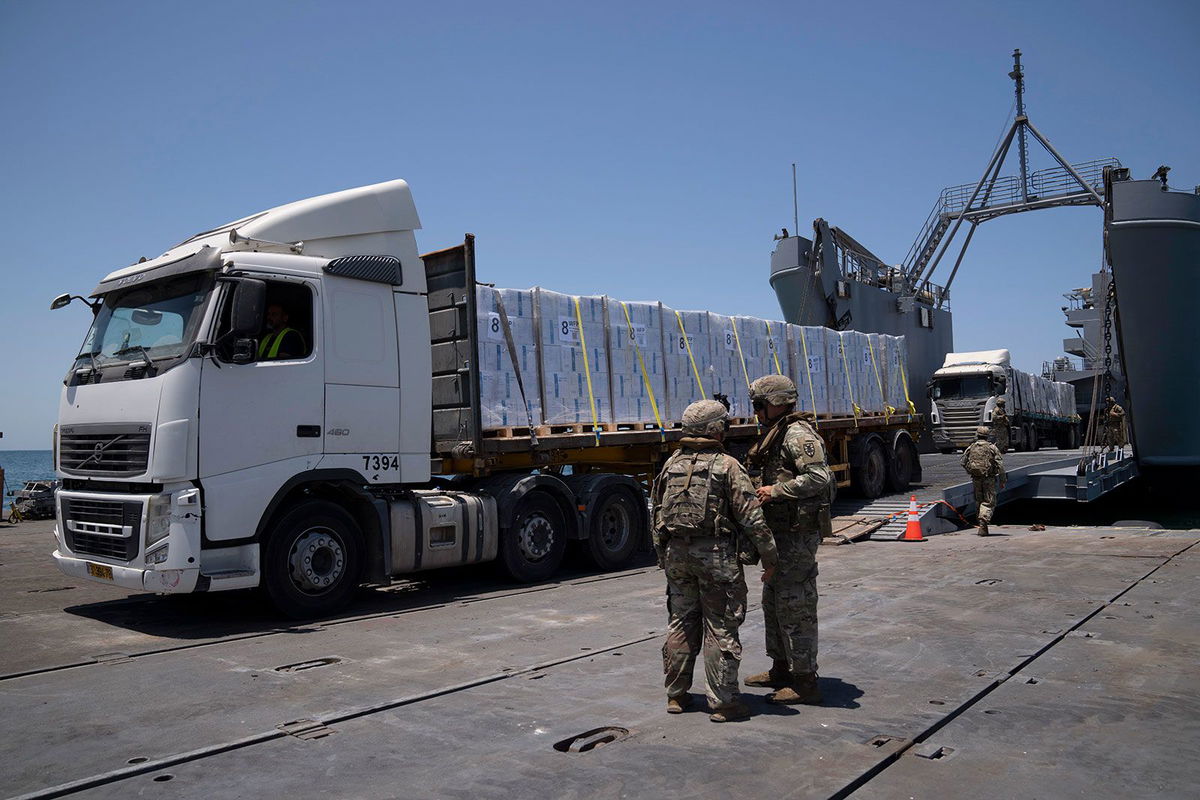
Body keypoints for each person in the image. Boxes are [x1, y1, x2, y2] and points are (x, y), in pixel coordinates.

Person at [652, 399, 779, 723]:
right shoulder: (727, 465)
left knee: (681, 622)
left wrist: (663, 557)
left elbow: (656, 514)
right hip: (716, 558)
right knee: (720, 626)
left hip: (677, 556)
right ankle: (723, 702)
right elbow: (752, 518)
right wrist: (770, 557)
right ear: (716, 430)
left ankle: (677, 695)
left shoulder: (671, 464)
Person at [742, 375, 834, 706]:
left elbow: (818, 477)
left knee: (796, 605)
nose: (756, 412)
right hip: (780, 534)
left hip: (797, 535)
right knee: (774, 602)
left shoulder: (797, 435)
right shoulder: (775, 431)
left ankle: (805, 680)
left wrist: (777, 490)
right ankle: (781, 668)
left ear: (778, 403)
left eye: (760, 405)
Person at [960, 426, 1005, 536]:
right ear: (987, 435)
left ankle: (981, 524)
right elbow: (1000, 464)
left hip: (976, 479)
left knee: (979, 501)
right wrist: (1003, 479)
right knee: (989, 501)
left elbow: (962, 461)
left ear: (977, 434)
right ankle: (983, 522)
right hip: (989, 478)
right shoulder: (991, 448)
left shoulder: (972, 447)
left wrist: (970, 471)